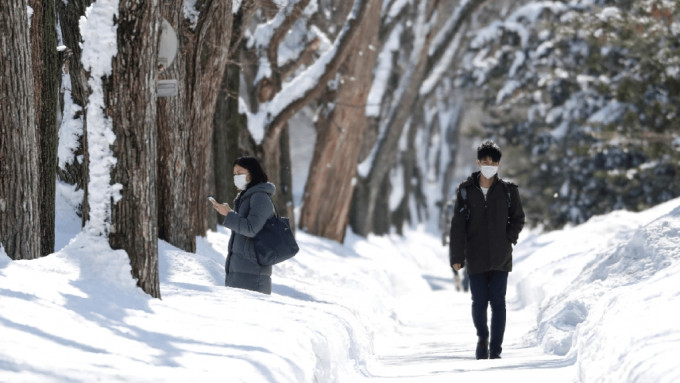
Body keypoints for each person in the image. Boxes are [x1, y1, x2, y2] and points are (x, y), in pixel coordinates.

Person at [449, 140, 525, 360]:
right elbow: (458, 226)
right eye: (485, 161)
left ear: (499, 164)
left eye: (493, 162)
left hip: (501, 257)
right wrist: (457, 256)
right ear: (478, 162)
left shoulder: (508, 191)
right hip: (475, 256)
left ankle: (496, 349)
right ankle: (482, 338)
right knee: (479, 302)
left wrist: (508, 239)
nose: (488, 165)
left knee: (498, 302)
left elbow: (518, 219)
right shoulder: (465, 191)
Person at [210, 156, 276, 295]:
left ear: (252, 173)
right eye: (234, 174)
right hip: (241, 271)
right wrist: (229, 213)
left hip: (252, 273)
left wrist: (229, 215)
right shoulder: (247, 197)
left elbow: (251, 229)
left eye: (240, 173)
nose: (236, 177)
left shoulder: (260, 197)